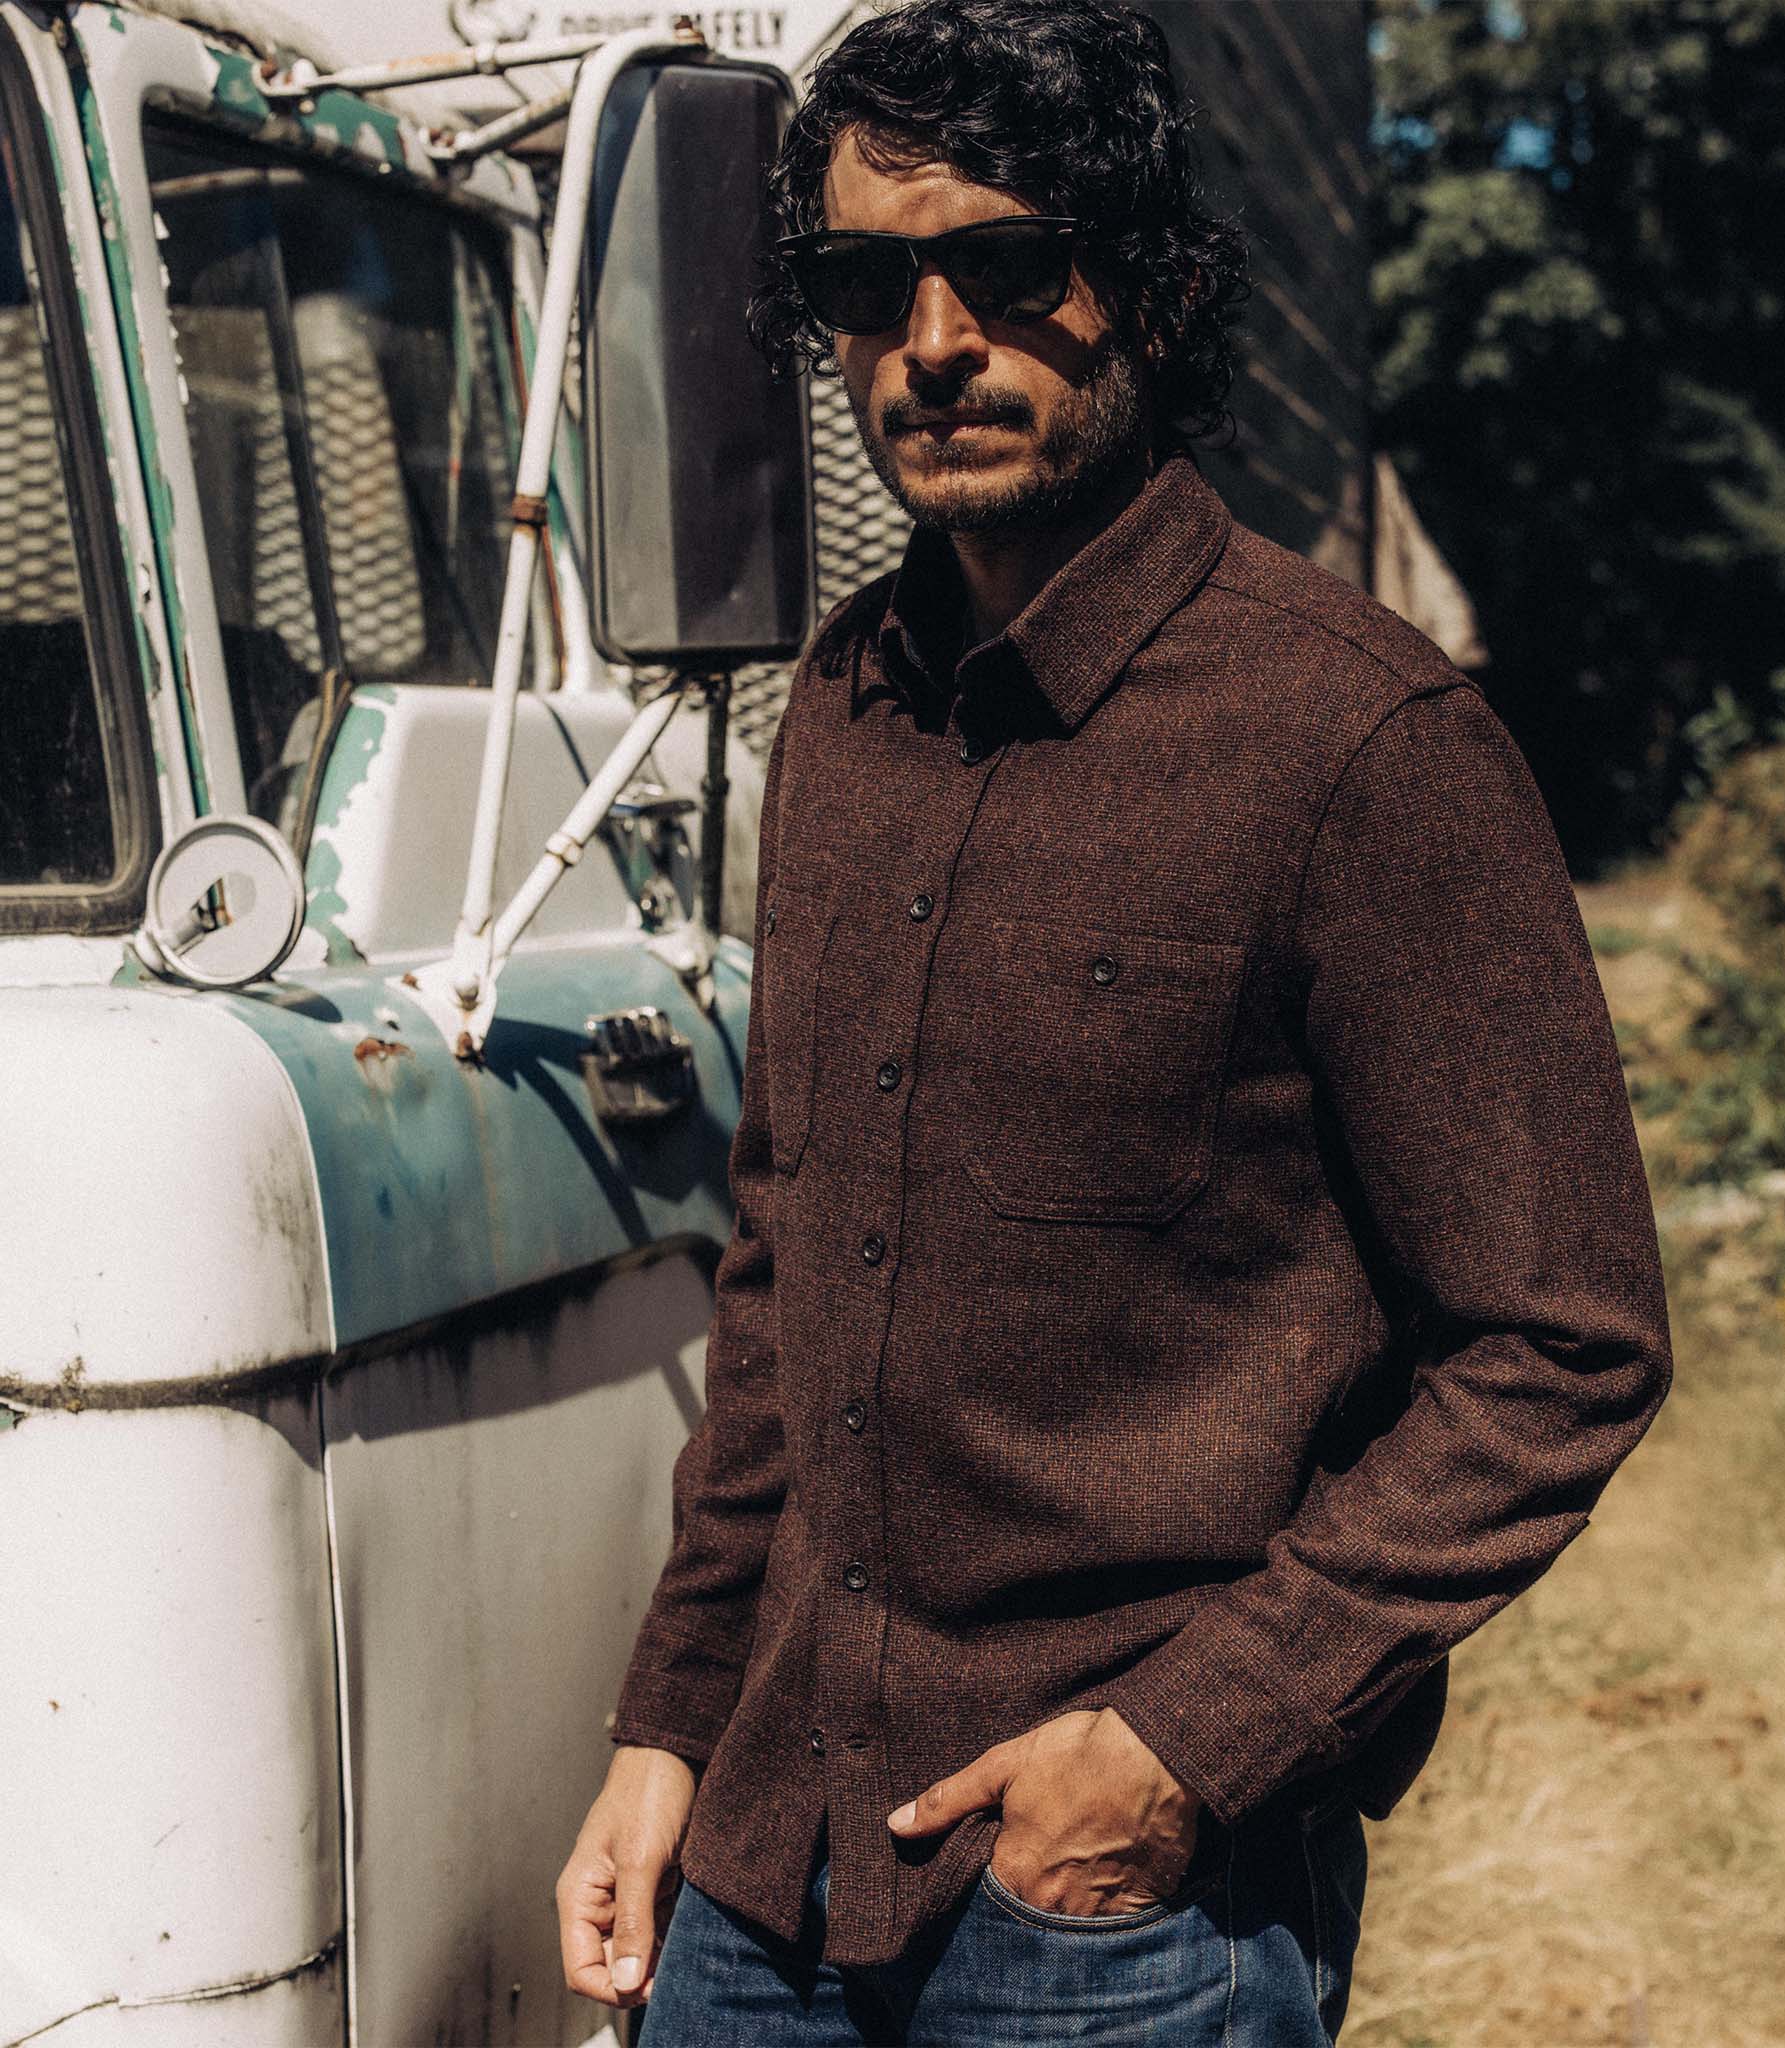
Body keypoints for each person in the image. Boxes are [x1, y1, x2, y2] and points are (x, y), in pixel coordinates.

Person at [556, 2, 1674, 2040]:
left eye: (1006, 266)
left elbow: (1561, 1345)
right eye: (864, 286)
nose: (932, 342)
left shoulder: (1359, 739)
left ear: (1148, 291)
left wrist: (1184, 1745)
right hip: (766, 1867)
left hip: (1116, 1916)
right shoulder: (842, 708)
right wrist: (669, 1725)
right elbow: (789, 1267)